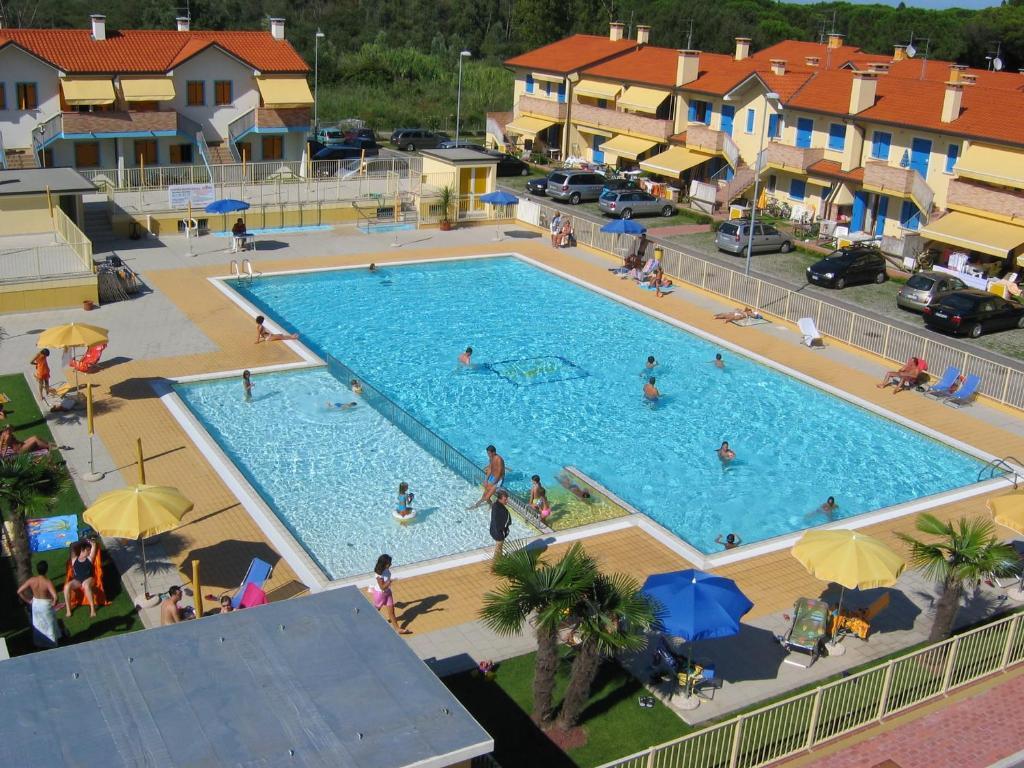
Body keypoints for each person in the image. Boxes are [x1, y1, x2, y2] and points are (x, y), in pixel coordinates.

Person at [17, 560, 60, 648]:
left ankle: (40, 644)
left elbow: (19, 591)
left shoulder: (32, 580)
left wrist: (28, 600)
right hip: (45, 604)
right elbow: (55, 596)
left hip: (36, 604)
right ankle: (52, 644)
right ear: (46, 570)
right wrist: (54, 603)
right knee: (49, 624)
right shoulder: (47, 582)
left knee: (38, 624)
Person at [371, 554, 411, 634]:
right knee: (375, 611)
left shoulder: (386, 569)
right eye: (389, 563)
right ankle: (368, 621)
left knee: (392, 612)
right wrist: (390, 581)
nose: (391, 564)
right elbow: (382, 587)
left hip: (388, 592)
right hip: (380, 594)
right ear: (384, 564)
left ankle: (398, 629)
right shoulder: (379, 574)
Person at [64, 537, 99, 618]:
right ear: (83, 550)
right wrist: (80, 541)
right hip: (77, 580)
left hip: (89, 579)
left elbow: (94, 544)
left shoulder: (89, 558)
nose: (90, 552)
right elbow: (72, 546)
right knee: (66, 586)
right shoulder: (74, 559)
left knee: (86, 585)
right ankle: (68, 610)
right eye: (88, 550)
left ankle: (92, 609)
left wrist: (87, 540)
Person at [489, 490, 512, 558]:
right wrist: (504, 531)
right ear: (500, 499)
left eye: (507, 499)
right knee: (498, 549)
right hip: (499, 533)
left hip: (493, 529)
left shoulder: (495, 505)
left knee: (499, 548)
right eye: (505, 500)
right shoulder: (503, 510)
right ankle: (497, 561)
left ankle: (500, 558)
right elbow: (507, 522)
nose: (507, 501)